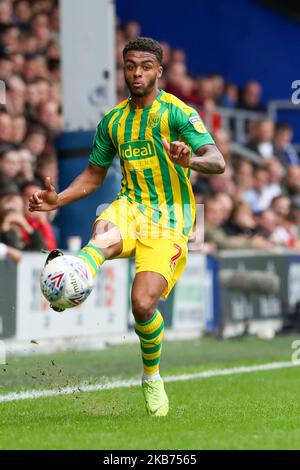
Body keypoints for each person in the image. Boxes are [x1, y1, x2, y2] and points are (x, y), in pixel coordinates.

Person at [28, 37, 225, 417]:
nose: (137, 73)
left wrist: (191, 161)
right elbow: (92, 175)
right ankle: (75, 278)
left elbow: (217, 161)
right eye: (131, 65)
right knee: (104, 226)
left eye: (146, 66)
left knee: (142, 303)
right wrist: (59, 200)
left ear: (159, 71)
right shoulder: (113, 120)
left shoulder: (178, 114)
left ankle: (151, 377)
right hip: (130, 207)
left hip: (171, 219)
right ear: (123, 68)